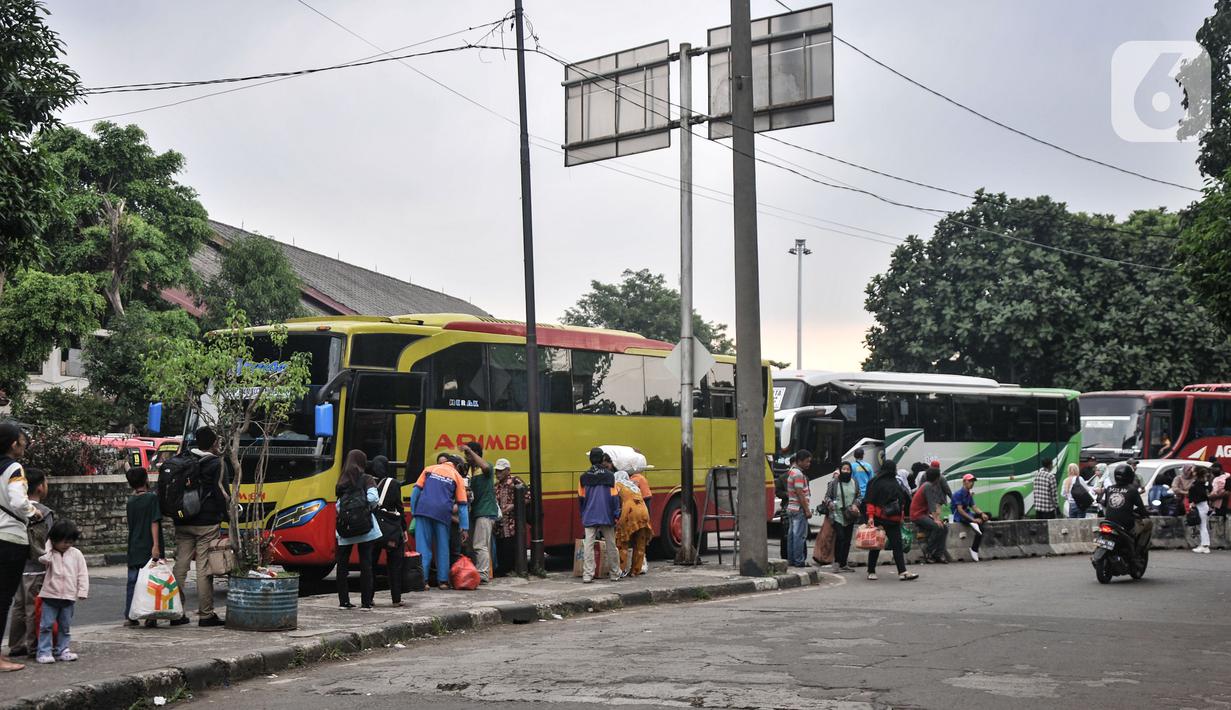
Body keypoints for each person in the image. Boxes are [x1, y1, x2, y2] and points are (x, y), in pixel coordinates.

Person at [171, 426, 227, 627]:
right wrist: (227, 515)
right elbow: (221, 493)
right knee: (203, 567)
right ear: (213, 443)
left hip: (183, 520)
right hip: (206, 523)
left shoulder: (185, 459)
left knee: (180, 566)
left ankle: (175, 612)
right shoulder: (216, 463)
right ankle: (206, 614)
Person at [0, 422, 38, 672]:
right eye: (23, 440)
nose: (25, 444)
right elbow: (17, 500)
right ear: (14, 443)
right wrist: (32, 511)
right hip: (10, 539)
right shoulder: (14, 467)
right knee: (3, 600)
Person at [7, 468, 52, 655]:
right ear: (41, 487)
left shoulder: (14, 510)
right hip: (37, 568)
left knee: (18, 607)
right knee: (33, 607)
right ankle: (34, 645)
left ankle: (16, 645)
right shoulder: (45, 512)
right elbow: (49, 540)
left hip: (19, 567)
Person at [412, 456, 470, 590]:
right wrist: (464, 528)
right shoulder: (457, 476)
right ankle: (443, 582)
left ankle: (423, 581)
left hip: (423, 510)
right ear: (457, 466)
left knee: (423, 548)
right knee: (442, 547)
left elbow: (416, 492)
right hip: (442, 513)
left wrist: (415, 512)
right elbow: (462, 505)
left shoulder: (429, 469)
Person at [36, 519, 88, 664]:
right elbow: (43, 558)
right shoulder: (50, 554)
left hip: (68, 597)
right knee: (46, 626)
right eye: (63, 541)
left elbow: (82, 573)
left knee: (65, 627)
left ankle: (62, 649)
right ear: (54, 540)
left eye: (70, 542)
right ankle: (44, 652)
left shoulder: (76, 554)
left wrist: (82, 590)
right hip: (50, 595)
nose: (67, 545)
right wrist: (49, 544)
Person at [123, 467, 168, 628]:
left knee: (132, 581)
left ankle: (130, 615)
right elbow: (154, 522)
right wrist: (156, 545)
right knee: (152, 582)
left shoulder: (131, 501)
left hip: (134, 546)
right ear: (146, 480)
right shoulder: (151, 499)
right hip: (149, 546)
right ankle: (151, 616)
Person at [335, 450, 381, 609]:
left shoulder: (341, 481)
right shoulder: (367, 478)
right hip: (365, 528)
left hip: (345, 528)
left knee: (342, 565)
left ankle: (344, 601)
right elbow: (374, 498)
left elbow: (338, 505)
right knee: (366, 564)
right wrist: (365, 507)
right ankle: (366, 602)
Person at [863, 463, 918, 581]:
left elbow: (900, 501)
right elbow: (871, 501)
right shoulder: (881, 482)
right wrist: (871, 517)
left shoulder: (877, 482)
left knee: (893, 545)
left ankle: (901, 571)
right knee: (879, 546)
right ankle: (872, 570)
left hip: (890, 519)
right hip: (881, 518)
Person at [577, 447, 620, 583]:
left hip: (589, 515)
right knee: (611, 544)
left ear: (590, 460)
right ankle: (615, 573)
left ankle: (587, 574)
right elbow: (614, 497)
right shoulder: (609, 476)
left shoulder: (583, 477)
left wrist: (583, 514)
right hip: (606, 515)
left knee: (588, 545)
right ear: (602, 459)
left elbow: (581, 498)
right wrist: (616, 513)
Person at [370, 456, 406, 607]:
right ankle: (396, 599)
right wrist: (403, 529)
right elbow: (399, 508)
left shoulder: (367, 482)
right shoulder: (393, 483)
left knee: (370, 564)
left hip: (372, 529)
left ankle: (368, 598)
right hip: (390, 530)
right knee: (394, 565)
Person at [460, 443, 498, 583]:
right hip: (475, 512)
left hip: (485, 512)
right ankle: (478, 572)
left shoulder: (486, 467)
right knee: (472, 546)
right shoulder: (471, 471)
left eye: (468, 455)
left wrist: (470, 451)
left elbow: (486, 467)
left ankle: (483, 574)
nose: (467, 458)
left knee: (479, 545)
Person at [1100, 464, 1153, 552]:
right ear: (1129, 476)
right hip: (1125, 525)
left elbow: (1106, 504)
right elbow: (1141, 508)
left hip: (1108, 522)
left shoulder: (1109, 489)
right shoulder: (1132, 490)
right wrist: (1146, 513)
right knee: (1148, 523)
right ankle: (1139, 549)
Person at [493, 458, 528, 577]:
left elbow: (528, 497)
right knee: (501, 545)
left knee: (510, 546)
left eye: (501, 471)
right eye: (497, 471)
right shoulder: (496, 485)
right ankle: (503, 569)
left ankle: (511, 568)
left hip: (512, 522)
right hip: (500, 522)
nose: (498, 474)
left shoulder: (516, 481)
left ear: (508, 471)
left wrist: (513, 506)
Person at [614, 471, 652, 575]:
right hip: (644, 512)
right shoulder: (633, 485)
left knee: (623, 542)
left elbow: (616, 503)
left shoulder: (617, 485)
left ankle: (621, 570)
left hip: (630, 512)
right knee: (640, 544)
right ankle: (636, 571)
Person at [823, 462, 859, 573]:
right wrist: (830, 504)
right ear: (840, 470)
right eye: (844, 469)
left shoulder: (854, 482)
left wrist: (855, 504)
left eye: (848, 469)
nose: (846, 471)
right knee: (840, 537)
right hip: (836, 515)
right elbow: (827, 496)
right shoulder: (834, 483)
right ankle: (837, 562)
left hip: (849, 515)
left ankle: (844, 563)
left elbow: (859, 496)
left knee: (847, 540)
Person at [910, 468, 948, 563]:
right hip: (917, 515)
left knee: (945, 528)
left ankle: (939, 554)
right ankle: (928, 552)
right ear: (937, 478)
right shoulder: (927, 486)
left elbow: (932, 505)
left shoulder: (928, 485)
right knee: (937, 527)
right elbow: (931, 504)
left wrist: (937, 518)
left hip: (923, 514)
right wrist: (935, 519)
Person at [952, 474, 990, 562]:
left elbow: (974, 507)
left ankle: (975, 524)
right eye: (970, 481)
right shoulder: (958, 494)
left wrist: (982, 514)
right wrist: (973, 519)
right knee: (980, 531)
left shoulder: (968, 494)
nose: (972, 483)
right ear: (964, 482)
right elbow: (960, 511)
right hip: (960, 516)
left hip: (969, 514)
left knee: (988, 515)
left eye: (973, 481)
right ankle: (974, 549)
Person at [784, 450, 811, 568]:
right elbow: (800, 494)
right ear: (799, 461)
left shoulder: (792, 471)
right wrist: (807, 510)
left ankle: (791, 560)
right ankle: (799, 561)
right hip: (798, 508)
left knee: (792, 535)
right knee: (799, 536)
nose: (809, 464)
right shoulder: (799, 474)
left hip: (791, 507)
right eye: (807, 461)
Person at [1188, 466, 1212, 554]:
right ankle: (1204, 545)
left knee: (1203, 526)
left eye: (1193, 471)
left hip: (1200, 505)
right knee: (1203, 525)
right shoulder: (1204, 482)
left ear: (1196, 473)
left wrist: (1193, 501)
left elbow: (1200, 495)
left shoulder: (1198, 483)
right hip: (1203, 505)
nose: (1192, 472)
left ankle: (1205, 545)